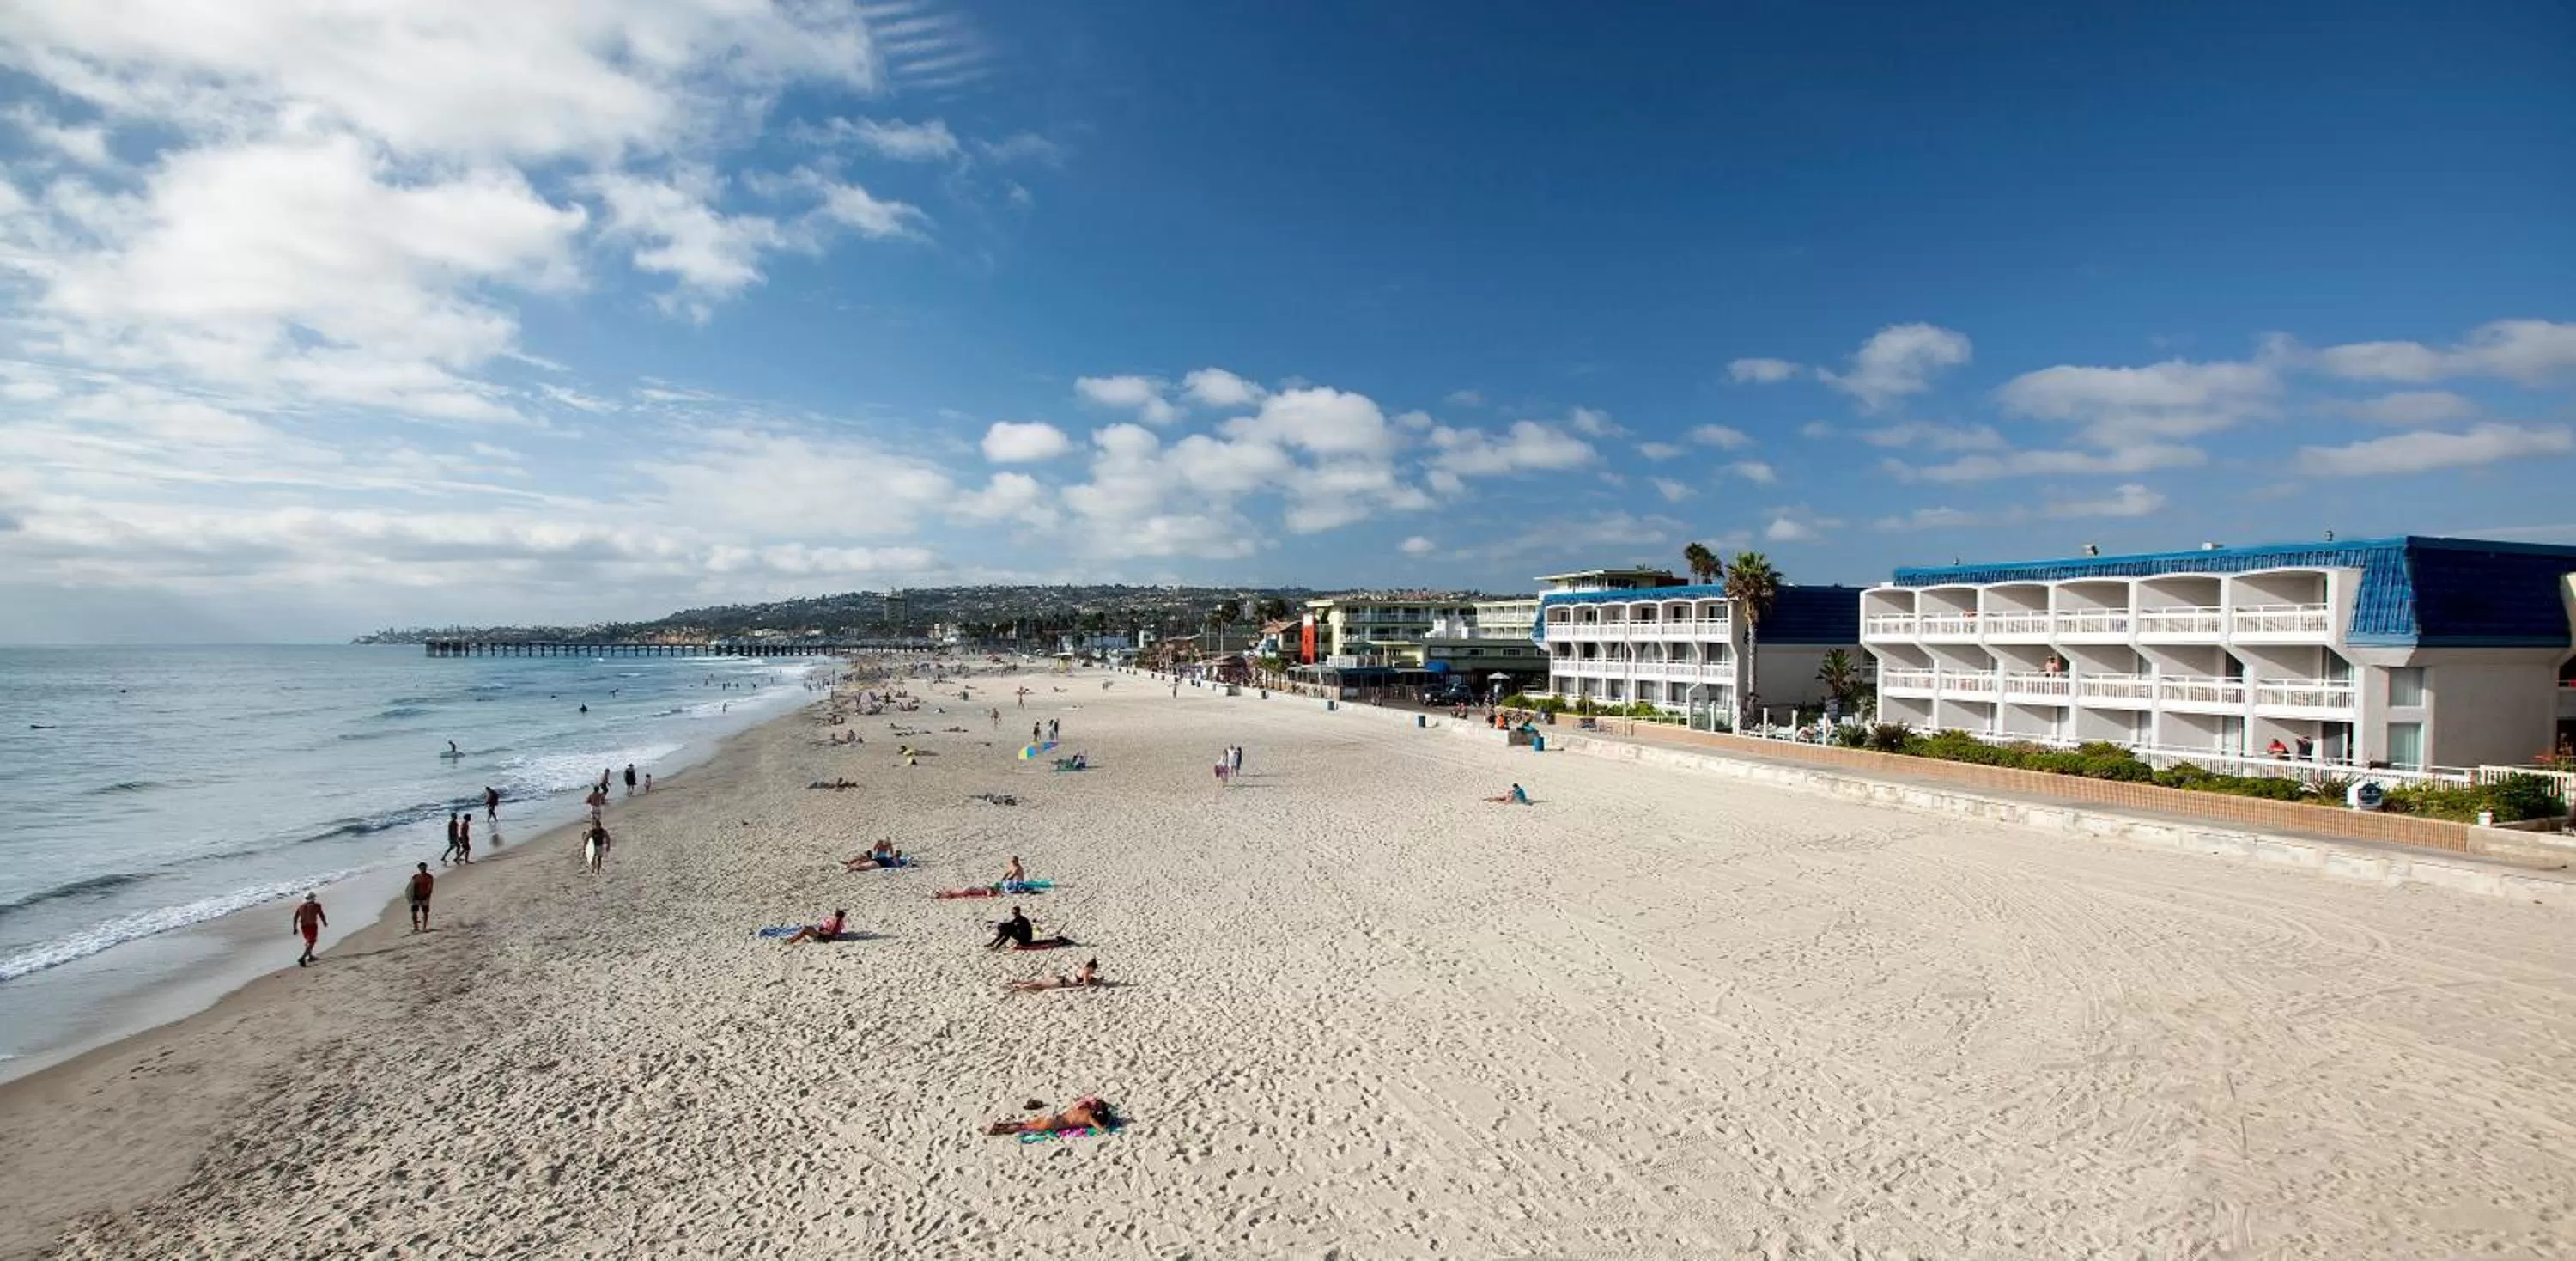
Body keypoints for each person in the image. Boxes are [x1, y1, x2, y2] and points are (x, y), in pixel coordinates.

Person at [986, 1096, 1117, 1136]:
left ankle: (1000, 1125)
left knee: (1025, 1123)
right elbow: (1102, 1129)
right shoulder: (1090, 1118)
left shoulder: (1082, 1107)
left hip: (1054, 1115)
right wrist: (1107, 1122)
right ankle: (998, 1130)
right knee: (1024, 1127)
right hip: (1054, 1124)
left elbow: (1087, 1099)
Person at [1005, 958, 1103, 993]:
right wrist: (1089, 986)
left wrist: (1097, 980)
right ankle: (1020, 986)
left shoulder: (1083, 969)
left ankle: (1016, 981)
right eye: (1094, 970)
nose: (1094, 971)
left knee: (1038, 981)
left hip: (1062, 978)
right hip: (1063, 982)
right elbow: (1086, 983)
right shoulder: (1086, 972)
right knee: (1040, 986)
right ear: (1091, 967)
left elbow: (1089, 979)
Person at [291, 893, 327, 966]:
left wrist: (295, 928)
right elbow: (321, 914)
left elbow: (295, 917)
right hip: (312, 925)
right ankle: (303, 957)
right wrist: (324, 922)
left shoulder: (300, 906)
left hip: (303, 926)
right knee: (312, 942)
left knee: (308, 941)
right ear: (313, 898)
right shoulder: (317, 905)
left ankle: (310, 957)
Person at [781, 909, 849, 945]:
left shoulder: (837, 922)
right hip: (824, 936)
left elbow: (831, 933)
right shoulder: (839, 922)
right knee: (808, 928)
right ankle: (792, 939)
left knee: (805, 929)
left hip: (824, 938)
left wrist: (823, 930)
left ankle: (791, 941)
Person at [406, 863, 434, 933]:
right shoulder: (415, 877)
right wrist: (410, 897)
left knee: (425, 912)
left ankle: (424, 927)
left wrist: (428, 898)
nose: (423, 869)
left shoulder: (429, 877)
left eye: (424, 868)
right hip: (416, 897)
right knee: (414, 913)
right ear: (419, 868)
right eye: (422, 868)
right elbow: (410, 888)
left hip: (425, 896)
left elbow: (430, 889)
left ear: (426, 868)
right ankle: (416, 927)